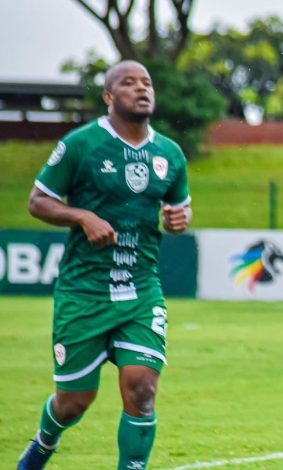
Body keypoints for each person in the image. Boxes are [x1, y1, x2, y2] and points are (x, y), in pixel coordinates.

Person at [18, 60, 192, 470]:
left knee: (142, 388)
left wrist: (177, 221)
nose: (141, 88)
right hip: (84, 292)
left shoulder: (170, 153)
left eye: (147, 82)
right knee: (74, 403)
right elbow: (37, 202)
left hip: (141, 288)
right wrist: (82, 216)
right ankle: (43, 444)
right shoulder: (81, 144)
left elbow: (179, 211)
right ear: (109, 97)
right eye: (128, 83)